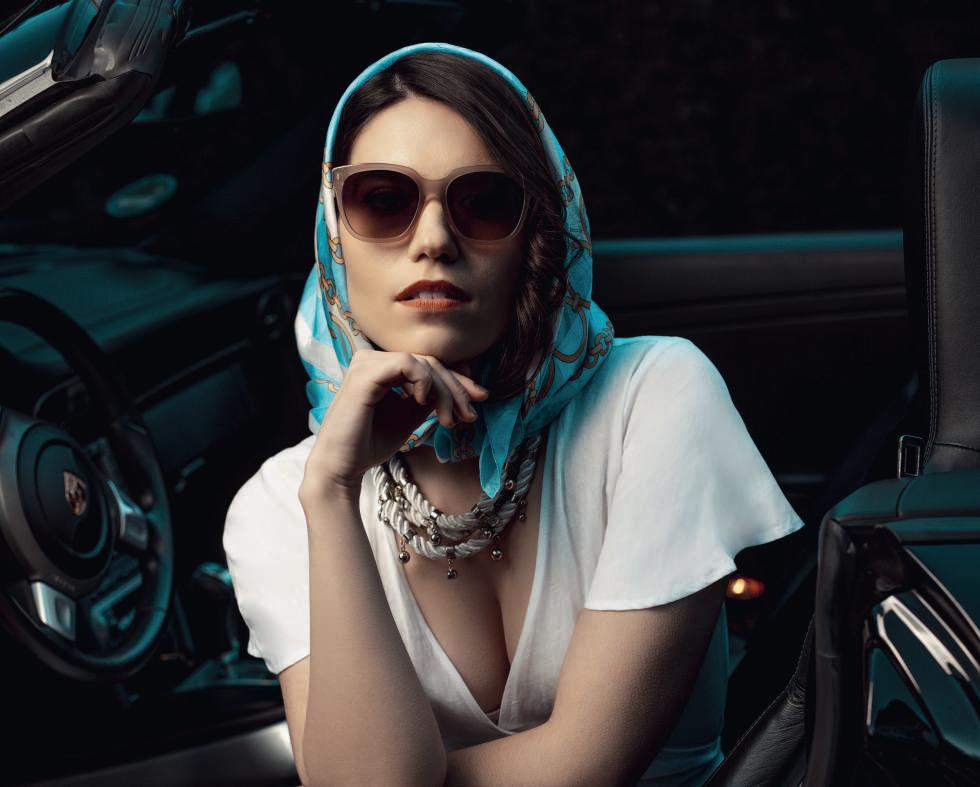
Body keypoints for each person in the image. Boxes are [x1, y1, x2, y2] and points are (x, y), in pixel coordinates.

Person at [222, 42, 805, 786]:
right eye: (385, 200)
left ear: (538, 234)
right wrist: (332, 495)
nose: (434, 240)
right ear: (334, 236)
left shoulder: (653, 396)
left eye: (485, 202)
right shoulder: (284, 503)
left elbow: (590, 765)